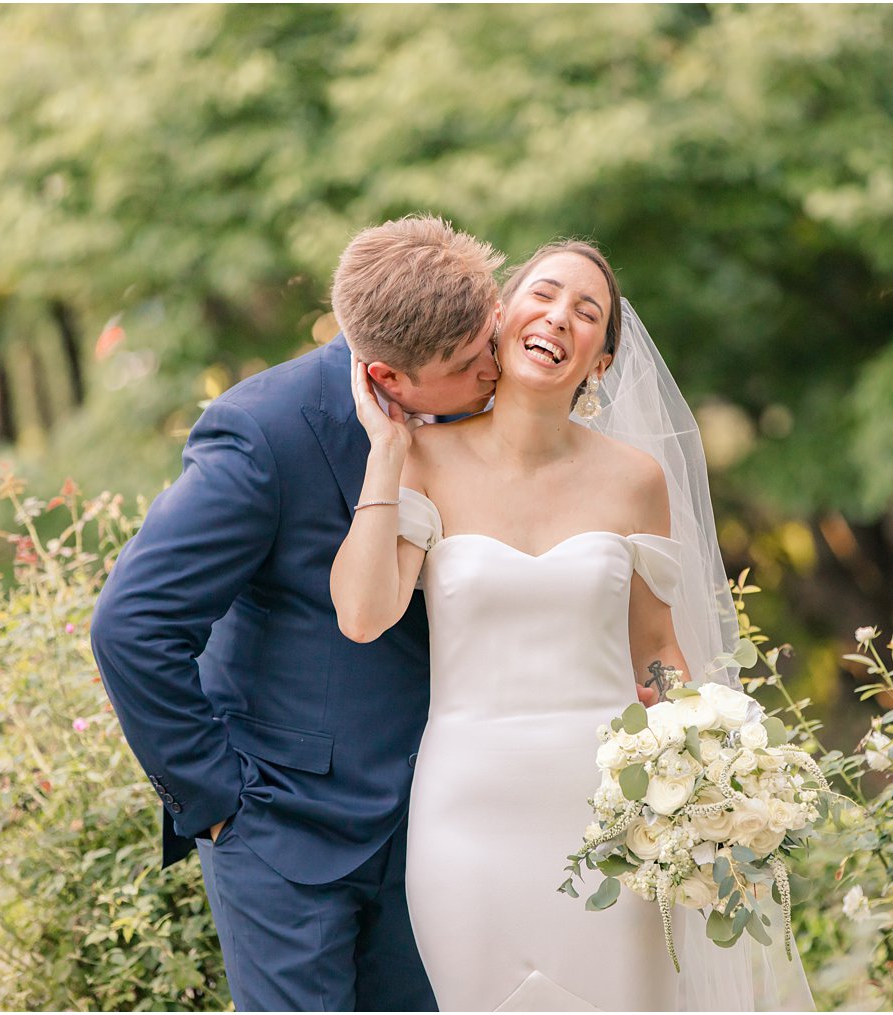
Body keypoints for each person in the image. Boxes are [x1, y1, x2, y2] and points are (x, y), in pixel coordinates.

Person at [332, 241, 806, 1011]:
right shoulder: (422, 456)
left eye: (587, 313)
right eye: (543, 294)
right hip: (467, 822)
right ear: (501, 316)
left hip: (612, 823)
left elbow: (656, 652)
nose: (560, 317)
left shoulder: (634, 480)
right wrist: (386, 451)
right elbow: (362, 613)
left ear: (603, 359)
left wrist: (714, 780)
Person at [89, 215, 504, 1011]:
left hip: (439, 832)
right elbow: (132, 624)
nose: (496, 364)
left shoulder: (495, 418)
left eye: (489, 338)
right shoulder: (262, 435)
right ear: (387, 378)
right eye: (469, 360)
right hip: (286, 835)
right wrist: (216, 807)